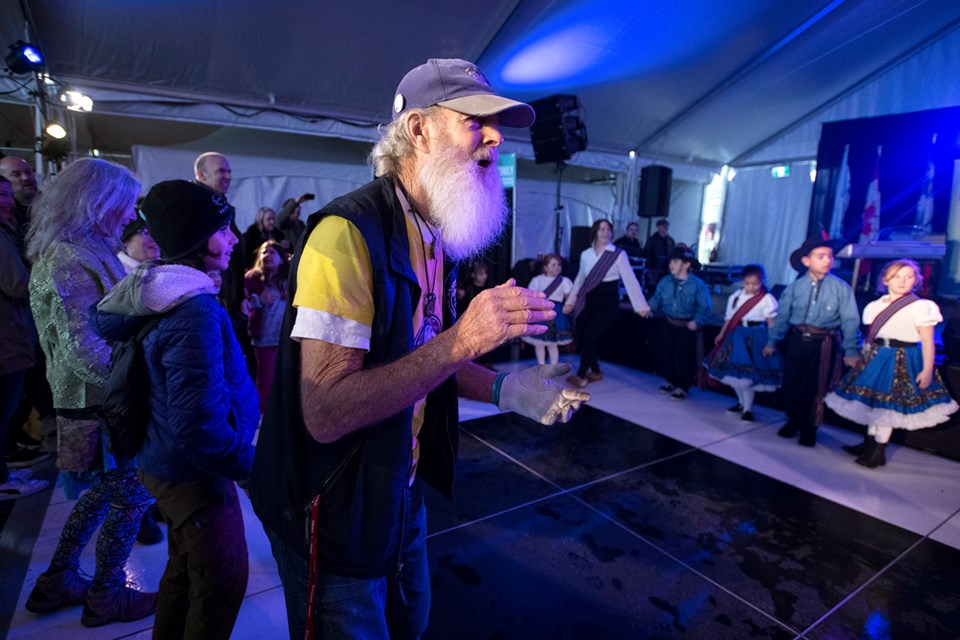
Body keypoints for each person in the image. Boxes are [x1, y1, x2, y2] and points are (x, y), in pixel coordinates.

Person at [250, 57, 590, 639]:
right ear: (419, 130)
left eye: (497, 124)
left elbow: (426, 357)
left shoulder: (435, 235)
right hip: (332, 505)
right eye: (474, 121)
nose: (494, 136)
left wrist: (507, 388)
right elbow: (326, 412)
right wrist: (464, 339)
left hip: (397, 490)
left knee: (412, 622)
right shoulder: (345, 235)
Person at [91, 179, 259, 639]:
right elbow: (200, 428)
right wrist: (254, 468)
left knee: (185, 574)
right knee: (219, 585)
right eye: (223, 231)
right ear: (196, 239)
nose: (233, 239)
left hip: (166, 463)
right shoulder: (192, 310)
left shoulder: (165, 290)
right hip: (193, 476)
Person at [24, 158, 157, 627]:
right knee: (132, 497)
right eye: (123, 204)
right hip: (95, 399)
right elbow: (85, 349)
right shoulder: (66, 259)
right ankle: (106, 594)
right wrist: (145, 381)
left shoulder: (88, 246)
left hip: (97, 397)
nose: (130, 215)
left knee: (104, 495)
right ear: (95, 202)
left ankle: (57, 579)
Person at [825, 259, 958, 468]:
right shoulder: (875, 306)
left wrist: (927, 370)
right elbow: (871, 336)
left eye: (909, 277)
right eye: (897, 276)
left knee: (889, 406)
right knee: (873, 402)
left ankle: (878, 451)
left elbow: (927, 342)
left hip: (903, 358)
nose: (903, 281)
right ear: (886, 279)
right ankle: (868, 444)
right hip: (877, 356)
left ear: (916, 280)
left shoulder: (921, 307)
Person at [763, 237, 861, 447]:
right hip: (798, 340)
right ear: (807, 261)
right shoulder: (795, 288)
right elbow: (782, 318)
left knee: (815, 387)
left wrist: (851, 350)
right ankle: (794, 420)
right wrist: (772, 341)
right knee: (791, 383)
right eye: (821, 257)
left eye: (830, 257)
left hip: (824, 343)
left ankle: (810, 427)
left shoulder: (841, 288)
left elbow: (850, 320)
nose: (827, 261)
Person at [0, 175, 49, 500]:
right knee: (2, 410)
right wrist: (49, 277)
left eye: (7, 195)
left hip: (10, 334)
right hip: (6, 337)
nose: (6, 200)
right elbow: (16, 284)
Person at [563, 219, 650, 388]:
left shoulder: (618, 254)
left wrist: (641, 306)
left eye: (608, 229)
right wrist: (571, 302)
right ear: (595, 232)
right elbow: (580, 279)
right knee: (587, 335)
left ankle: (581, 375)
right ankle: (595, 370)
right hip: (589, 301)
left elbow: (630, 280)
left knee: (590, 335)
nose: (606, 233)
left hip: (608, 302)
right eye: (602, 229)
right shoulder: (586, 254)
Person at [704, 264, 782, 421]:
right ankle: (741, 403)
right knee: (734, 374)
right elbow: (729, 318)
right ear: (742, 281)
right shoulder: (736, 297)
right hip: (737, 335)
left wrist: (772, 341)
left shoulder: (767, 299)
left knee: (748, 375)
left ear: (761, 282)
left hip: (757, 337)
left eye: (755, 284)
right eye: (747, 283)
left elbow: (771, 322)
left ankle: (748, 409)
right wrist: (721, 334)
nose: (751, 287)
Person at [645, 246, 712, 400]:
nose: (671, 265)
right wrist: (647, 307)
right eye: (670, 261)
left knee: (682, 355)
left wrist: (697, 321)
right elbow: (657, 299)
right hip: (669, 322)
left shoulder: (698, 285)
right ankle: (670, 381)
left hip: (686, 326)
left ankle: (683, 386)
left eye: (675, 261)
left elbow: (705, 307)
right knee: (666, 352)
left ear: (687, 264)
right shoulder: (665, 281)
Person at [244, 240, 289, 412]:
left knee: (286, 375)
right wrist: (258, 299)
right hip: (263, 336)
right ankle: (261, 413)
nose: (267, 256)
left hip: (285, 335)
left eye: (272, 252)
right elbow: (243, 302)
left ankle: (282, 411)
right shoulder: (251, 278)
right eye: (263, 252)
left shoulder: (288, 278)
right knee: (265, 377)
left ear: (282, 258)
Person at [523, 254, 574, 365]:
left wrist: (568, 305)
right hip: (541, 312)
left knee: (553, 343)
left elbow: (569, 298)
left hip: (557, 314)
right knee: (539, 343)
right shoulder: (537, 280)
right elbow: (531, 297)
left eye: (559, 265)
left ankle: (553, 366)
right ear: (545, 267)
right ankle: (541, 366)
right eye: (553, 265)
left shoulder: (564, 281)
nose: (557, 267)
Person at [0, 156, 40, 253]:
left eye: (28, 172)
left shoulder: (55, 205)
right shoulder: (6, 214)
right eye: (16, 174)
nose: (26, 178)